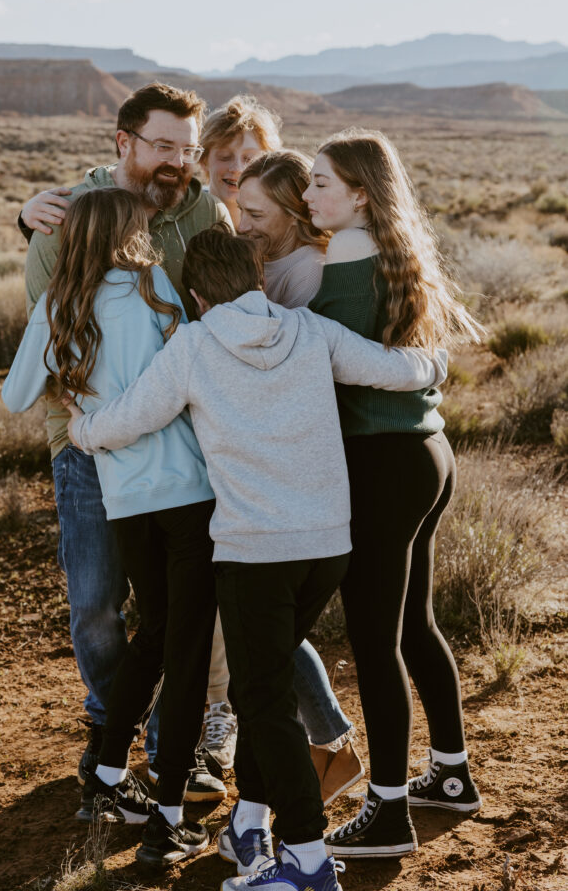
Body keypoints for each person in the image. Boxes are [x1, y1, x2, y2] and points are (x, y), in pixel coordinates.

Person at [64, 224, 447, 891]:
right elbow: (392, 369)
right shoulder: (307, 331)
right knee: (259, 688)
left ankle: (303, 858)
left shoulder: (193, 345)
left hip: (252, 552)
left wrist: (80, 427)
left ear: (194, 295)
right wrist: (437, 365)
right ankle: (250, 823)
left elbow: (129, 419)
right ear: (259, 279)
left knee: (262, 700)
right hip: (326, 545)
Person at [19, 82, 231, 815]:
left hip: (181, 447)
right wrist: (87, 425)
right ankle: (113, 733)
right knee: (99, 606)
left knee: (183, 605)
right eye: (163, 145)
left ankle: (179, 740)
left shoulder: (202, 210)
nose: (178, 161)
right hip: (87, 447)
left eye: (186, 147)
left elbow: (221, 310)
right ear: (123, 143)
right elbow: (48, 343)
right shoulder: (61, 219)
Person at [303, 128, 483, 860]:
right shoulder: (397, 253)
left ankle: (385, 814)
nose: (307, 194)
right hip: (425, 453)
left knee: (375, 642)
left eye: (318, 183)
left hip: (379, 464)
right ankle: (448, 776)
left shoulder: (341, 257)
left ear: (357, 195)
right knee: (415, 626)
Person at [236, 149, 365, 803]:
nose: (242, 222)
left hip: (292, 474)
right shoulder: (264, 265)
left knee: (263, 627)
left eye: (255, 213)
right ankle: (322, 745)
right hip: (268, 470)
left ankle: (320, 753)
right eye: (238, 208)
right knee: (265, 627)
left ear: (292, 213)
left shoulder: (306, 275)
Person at [199, 94, 282, 227]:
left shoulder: (281, 228)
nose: (237, 168)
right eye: (225, 157)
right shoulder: (184, 226)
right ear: (203, 161)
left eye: (249, 159)